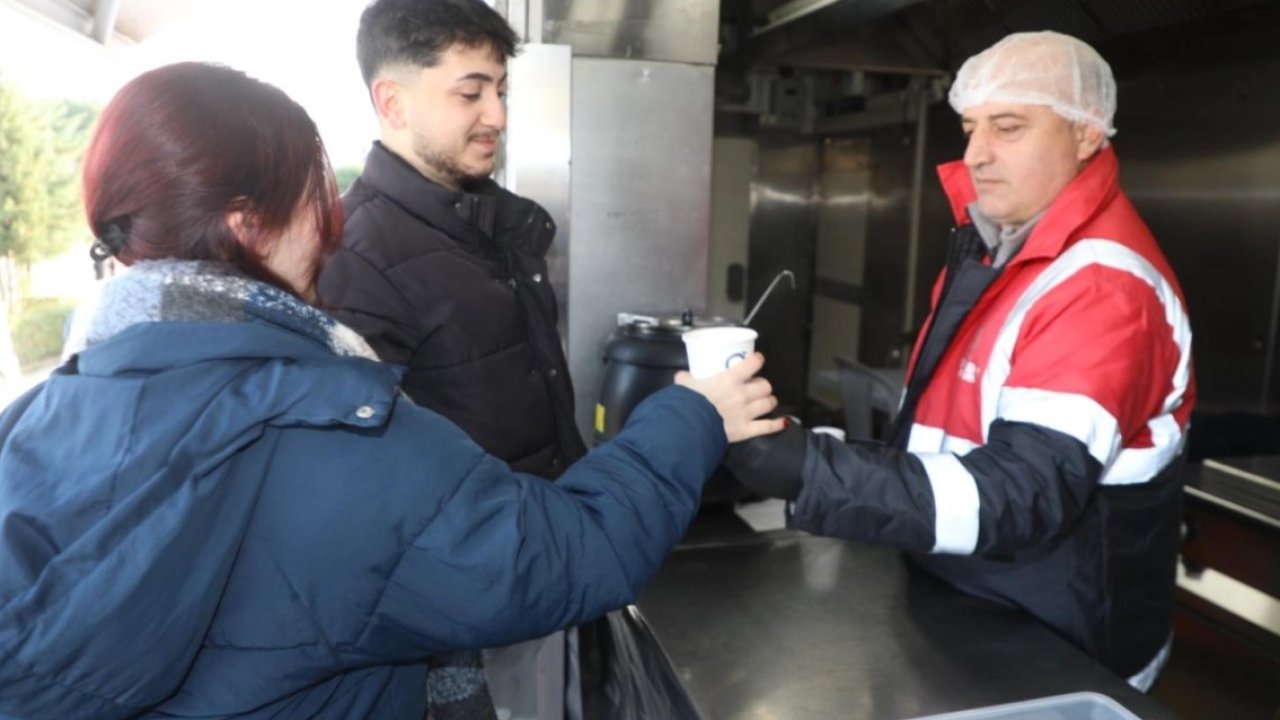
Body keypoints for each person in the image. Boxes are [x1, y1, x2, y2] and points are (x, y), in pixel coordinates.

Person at [0, 61, 783, 720]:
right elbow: (573, 555)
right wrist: (697, 413)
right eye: (310, 194)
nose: (327, 223)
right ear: (245, 223)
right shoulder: (330, 429)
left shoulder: (33, 419)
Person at [726, 31, 1194, 691]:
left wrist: (808, 469)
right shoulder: (1001, 251)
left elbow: (1020, 493)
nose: (976, 155)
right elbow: (947, 438)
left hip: (1059, 648)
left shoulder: (1102, 287)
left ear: (1086, 133)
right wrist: (802, 445)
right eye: (971, 129)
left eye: (1008, 127)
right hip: (971, 603)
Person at [315, 2, 589, 716]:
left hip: (534, 574)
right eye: (470, 93)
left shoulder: (491, 227)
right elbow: (360, 496)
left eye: (500, 90)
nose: (496, 115)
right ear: (393, 103)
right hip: (459, 622)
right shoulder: (357, 259)